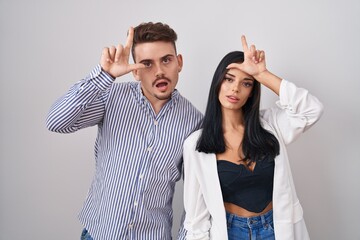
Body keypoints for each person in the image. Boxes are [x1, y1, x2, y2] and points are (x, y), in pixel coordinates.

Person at [46, 22, 203, 240]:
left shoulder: (195, 122)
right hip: (100, 235)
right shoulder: (111, 97)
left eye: (166, 60)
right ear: (135, 72)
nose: (159, 71)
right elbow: (56, 122)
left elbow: (194, 197)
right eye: (147, 64)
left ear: (179, 62)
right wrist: (104, 75)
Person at [182, 36, 324, 239]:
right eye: (229, 79)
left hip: (277, 228)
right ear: (217, 82)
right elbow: (196, 221)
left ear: (252, 91)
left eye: (246, 83)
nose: (235, 89)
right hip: (232, 232)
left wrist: (262, 74)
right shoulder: (195, 145)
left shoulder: (270, 125)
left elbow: (312, 110)